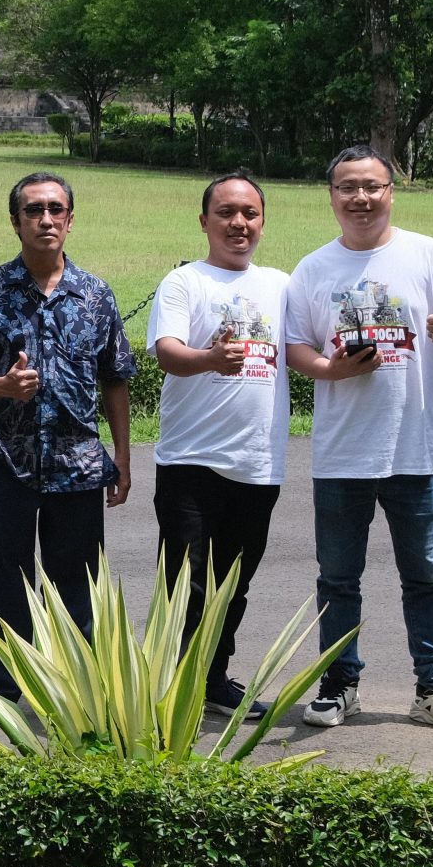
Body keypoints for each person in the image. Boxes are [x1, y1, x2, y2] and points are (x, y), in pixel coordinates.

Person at [284, 145, 433, 736]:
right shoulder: (313, 268)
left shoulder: (429, 254)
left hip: (415, 450)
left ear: (390, 192)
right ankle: (339, 683)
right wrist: (330, 370)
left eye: (372, 186)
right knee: (337, 578)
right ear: (332, 197)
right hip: (342, 453)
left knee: (425, 575)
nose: (361, 198)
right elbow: (295, 346)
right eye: (348, 187)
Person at [0, 170, 136, 710]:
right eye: (33, 210)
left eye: (56, 209)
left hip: (78, 463)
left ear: (70, 220)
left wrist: (122, 457)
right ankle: (5, 688)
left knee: (78, 585)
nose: (45, 219)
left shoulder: (95, 294)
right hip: (8, 461)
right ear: (16, 222)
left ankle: (76, 692)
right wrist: (2, 386)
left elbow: (116, 379)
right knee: (7, 580)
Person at [148, 171, 293, 717]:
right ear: (204, 221)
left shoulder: (281, 286)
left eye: (250, 214)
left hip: (258, 461)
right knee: (183, 583)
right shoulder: (185, 282)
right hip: (191, 461)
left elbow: (310, 344)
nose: (239, 223)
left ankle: (212, 678)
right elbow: (167, 353)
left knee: (234, 582)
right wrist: (209, 358)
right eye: (226, 213)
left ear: (263, 223)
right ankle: (166, 683)